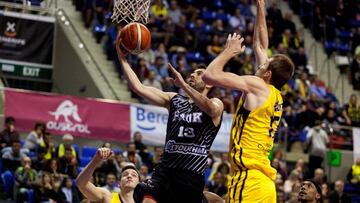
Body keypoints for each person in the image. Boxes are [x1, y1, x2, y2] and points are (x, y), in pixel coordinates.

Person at [202, 0, 294, 202]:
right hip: (265, 184)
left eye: (266, 63)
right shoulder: (274, 94)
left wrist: (228, 52)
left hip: (249, 179)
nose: (262, 61)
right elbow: (260, 44)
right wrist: (261, 6)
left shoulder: (257, 85)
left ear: (268, 73)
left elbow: (209, 76)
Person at [117, 33, 224, 203]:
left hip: (190, 175)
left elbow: (211, 109)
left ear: (209, 83)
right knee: (143, 193)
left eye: (199, 73)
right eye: (193, 72)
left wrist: (183, 86)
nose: (193, 75)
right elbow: (139, 87)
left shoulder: (215, 102)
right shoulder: (174, 99)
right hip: (164, 172)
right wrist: (122, 58)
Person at [76, 147, 140, 203]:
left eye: (134, 175)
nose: (129, 176)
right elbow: (81, 184)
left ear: (139, 184)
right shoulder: (107, 196)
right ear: (119, 183)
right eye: (125, 175)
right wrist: (96, 160)